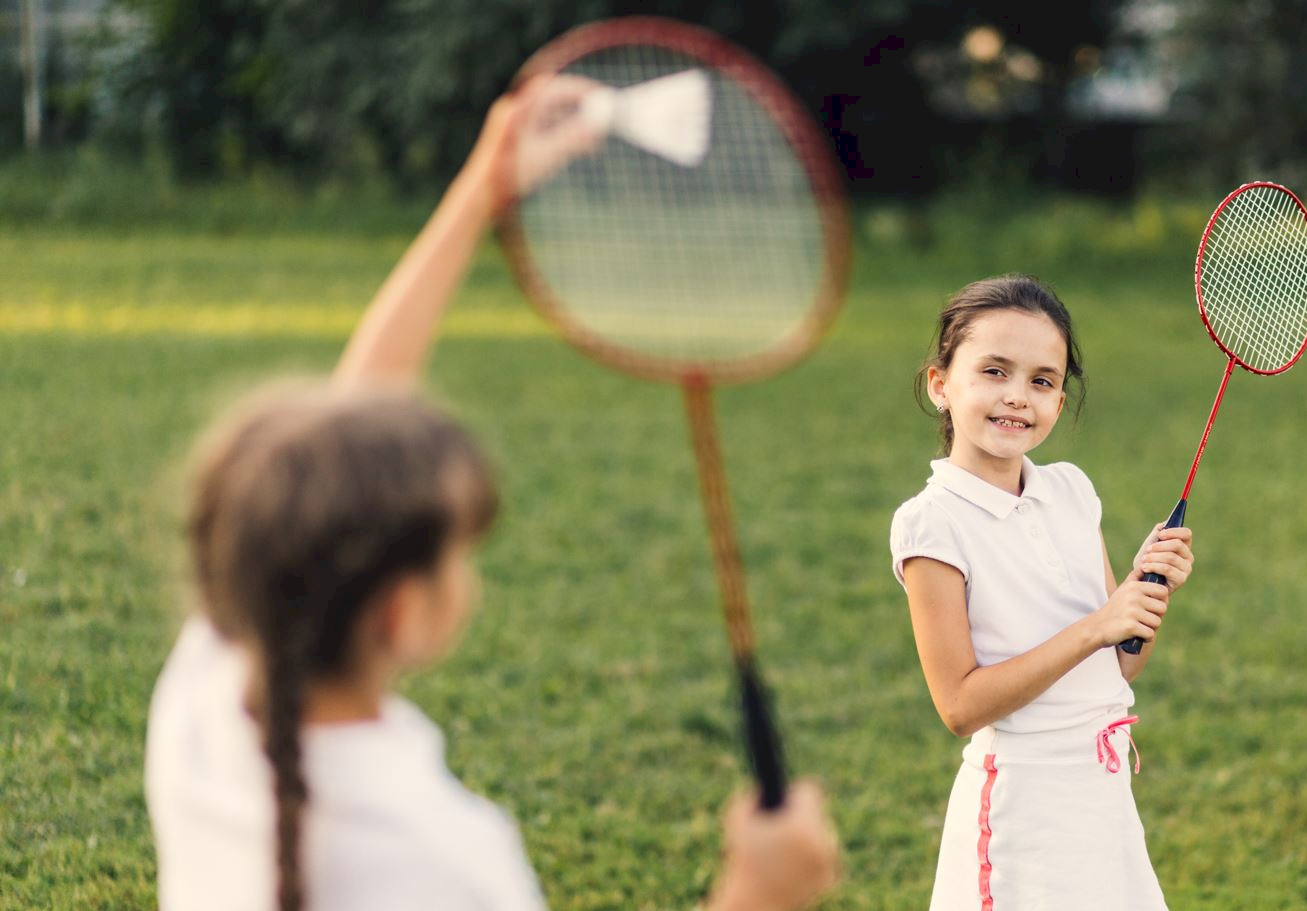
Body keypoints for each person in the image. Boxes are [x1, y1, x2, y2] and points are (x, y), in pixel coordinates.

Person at [145, 73, 841, 911]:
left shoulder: (202, 714)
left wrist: (483, 191)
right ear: (403, 613)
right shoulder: (438, 857)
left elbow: (350, 428)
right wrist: (755, 896)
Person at [889, 275, 1195, 910]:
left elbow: (1121, 662)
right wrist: (1097, 625)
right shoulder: (931, 524)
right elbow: (959, 706)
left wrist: (1144, 593)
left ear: (1060, 398)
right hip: (1022, 813)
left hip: (1102, 795)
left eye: (1042, 380)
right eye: (994, 371)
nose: (1017, 397)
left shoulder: (1071, 491)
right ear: (941, 385)